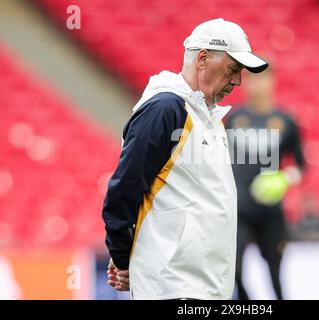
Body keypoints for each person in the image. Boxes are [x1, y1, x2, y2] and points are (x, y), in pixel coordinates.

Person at [101, 18, 268, 300]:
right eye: (233, 69)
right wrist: (123, 256)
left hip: (201, 285)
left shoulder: (207, 116)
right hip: (173, 285)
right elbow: (123, 191)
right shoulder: (166, 108)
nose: (238, 81)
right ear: (202, 58)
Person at [226, 66, 305, 300]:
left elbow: (300, 165)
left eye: (262, 78)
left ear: (272, 81)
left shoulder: (285, 121)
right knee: (234, 271)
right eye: (251, 79)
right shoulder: (234, 119)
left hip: (271, 211)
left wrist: (285, 178)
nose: (256, 84)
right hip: (239, 209)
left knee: (274, 274)